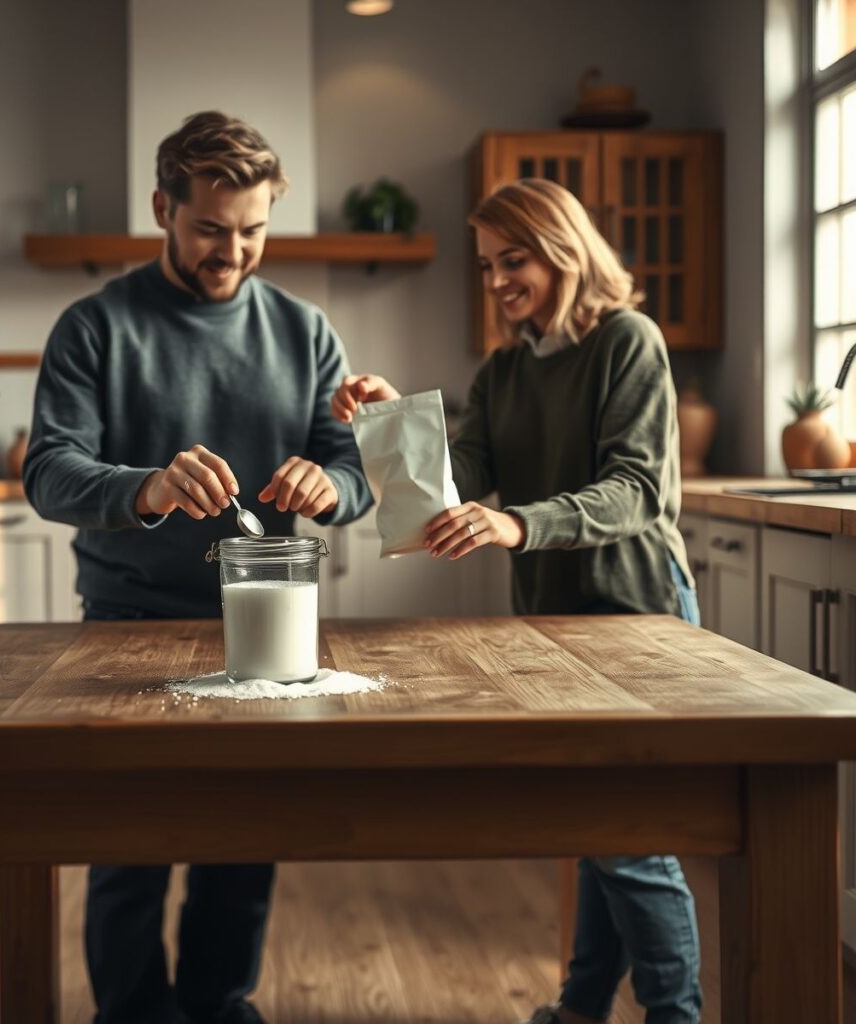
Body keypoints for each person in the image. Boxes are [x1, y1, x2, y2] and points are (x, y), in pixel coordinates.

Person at [24, 110, 372, 1024]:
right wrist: (148, 487)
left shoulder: (305, 332)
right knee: (129, 847)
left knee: (243, 837)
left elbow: (356, 471)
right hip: (129, 624)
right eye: (211, 228)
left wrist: (328, 485)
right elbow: (49, 471)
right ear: (162, 210)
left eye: (253, 230)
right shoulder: (95, 326)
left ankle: (220, 1004)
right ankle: (131, 1013)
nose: (234, 250)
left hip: (269, 624)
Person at [331, 178, 701, 1024]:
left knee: (630, 838)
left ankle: (674, 1016)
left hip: (638, 613)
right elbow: (455, 481)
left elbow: (638, 491)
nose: (498, 280)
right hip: (554, 619)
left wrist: (515, 525)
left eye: (515, 258)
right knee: (600, 825)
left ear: (562, 248)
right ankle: (580, 1008)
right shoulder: (502, 371)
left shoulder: (628, 343)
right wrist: (391, 421)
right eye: (490, 265)